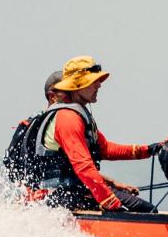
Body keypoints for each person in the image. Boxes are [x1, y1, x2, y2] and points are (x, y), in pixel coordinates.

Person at [32, 55, 159, 212]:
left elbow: (104, 149)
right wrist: (110, 201)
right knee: (145, 210)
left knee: (143, 208)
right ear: (77, 84)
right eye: (94, 81)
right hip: (63, 196)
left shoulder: (78, 114)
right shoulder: (68, 117)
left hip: (75, 191)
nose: (99, 85)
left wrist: (148, 150)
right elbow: (83, 166)